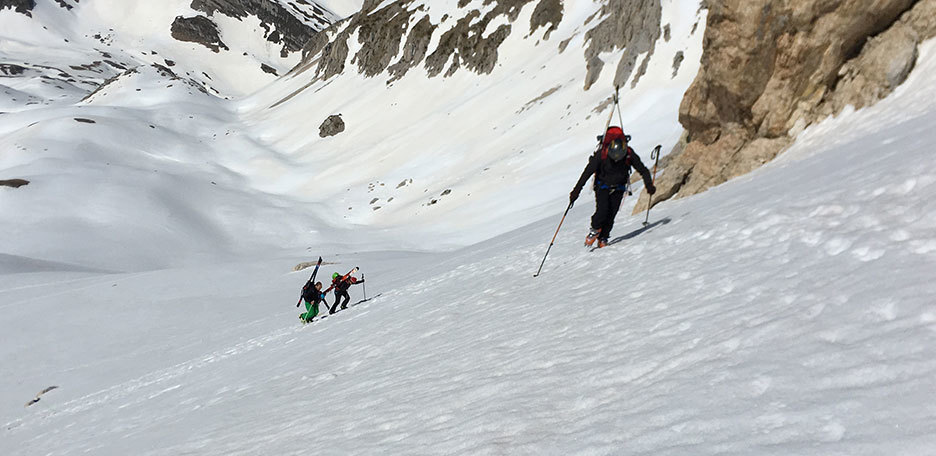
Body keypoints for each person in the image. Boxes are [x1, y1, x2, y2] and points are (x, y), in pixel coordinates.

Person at [569, 127, 656, 248]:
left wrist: (649, 185)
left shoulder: (629, 155)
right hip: (602, 186)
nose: (616, 159)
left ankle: (603, 237)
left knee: (612, 213)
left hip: (619, 187)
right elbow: (587, 173)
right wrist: (576, 191)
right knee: (602, 210)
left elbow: (643, 170)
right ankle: (595, 229)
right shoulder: (601, 155)